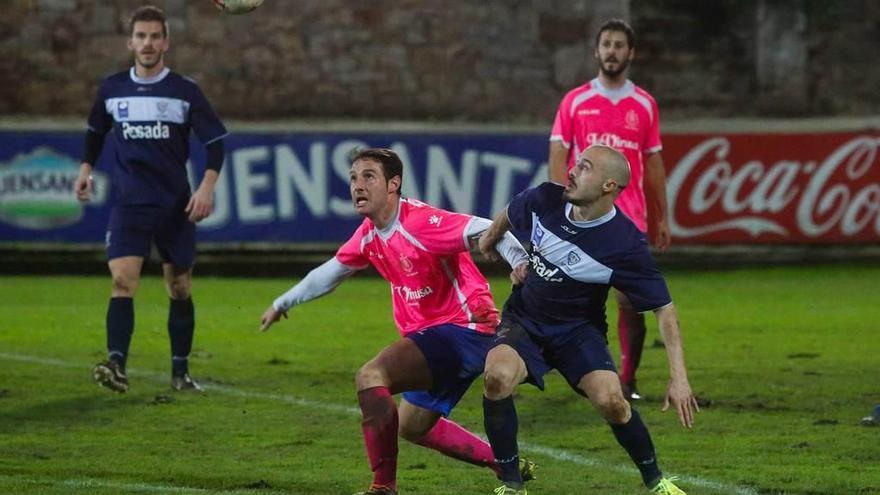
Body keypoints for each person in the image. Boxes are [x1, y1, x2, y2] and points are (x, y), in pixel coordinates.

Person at [259, 148, 534, 495]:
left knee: (371, 376)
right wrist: (283, 302)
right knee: (412, 426)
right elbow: (331, 272)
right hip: (439, 338)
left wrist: (519, 262)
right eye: (353, 178)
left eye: (368, 176)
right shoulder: (370, 234)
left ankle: (382, 488)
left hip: (464, 329)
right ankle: (504, 463)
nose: (358, 185)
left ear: (394, 184)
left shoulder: (419, 222)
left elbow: (485, 229)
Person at [480, 145, 698, 495]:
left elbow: (664, 309)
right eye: (575, 164)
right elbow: (512, 208)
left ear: (609, 185)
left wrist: (679, 378)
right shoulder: (545, 198)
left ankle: (656, 480)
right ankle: (511, 484)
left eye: (584, 168)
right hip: (526, 320)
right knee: (496, 378)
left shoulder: (625, 244)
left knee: (612, 402)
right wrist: (491, 239)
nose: (572, 172)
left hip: (578, 333)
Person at [74, 5, 227, 393]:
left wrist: (207, 186)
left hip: (175, 205)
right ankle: (117, 365)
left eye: (154, 36)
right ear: (130, 42)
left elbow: (216, 143)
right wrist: (85, 168)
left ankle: (180, 372)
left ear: (166, 42)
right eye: (141, 36)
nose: (147, 43)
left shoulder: (184, 91)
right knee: (123, 281)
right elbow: (94, 132)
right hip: (129, 204)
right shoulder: (111, 89)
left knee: (179, 287)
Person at [548, 18, 670, 401]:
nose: (612, 51)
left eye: (619, 45)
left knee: (631, 302)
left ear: (630, 53)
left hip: (628, 218)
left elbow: (652, 165)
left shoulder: (644, 104)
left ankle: (627, 377)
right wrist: (557, 205)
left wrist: (661, 216)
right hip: (582, 217)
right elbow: (558, 155)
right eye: (607, 44)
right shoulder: (576, 101)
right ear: (597, 51)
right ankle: (580, 370)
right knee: (567, 298)